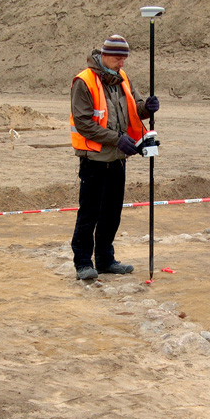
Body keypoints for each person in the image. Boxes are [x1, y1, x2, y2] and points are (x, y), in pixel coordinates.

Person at [69, 34, 160, 280]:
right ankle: (83, 263)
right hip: (94, 159)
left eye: (124, 59)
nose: (122, 63)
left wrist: (147, 107)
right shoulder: (84, 82)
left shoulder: (123, 79)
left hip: (118, 158)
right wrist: (116, 138)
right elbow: (84, 123)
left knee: (112, 212)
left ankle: (105, 260)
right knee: (90, 213)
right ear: (105, 55)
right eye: (119, 58)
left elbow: (135, 108)